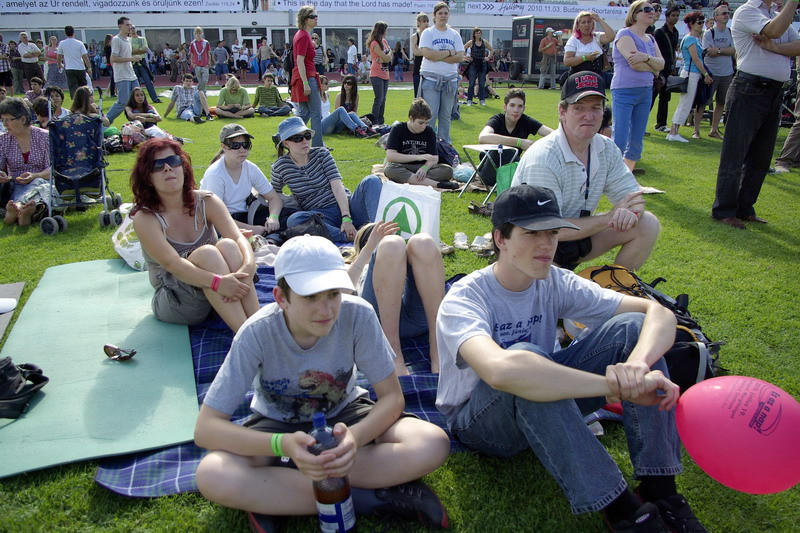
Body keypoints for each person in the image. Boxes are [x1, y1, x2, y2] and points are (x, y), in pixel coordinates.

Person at [436, 182, 707, 533]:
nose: (547, 244)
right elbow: (501, 371)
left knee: (631, 327)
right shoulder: (465, 298)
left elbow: (657, 315)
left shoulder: (554, 280)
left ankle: (661, 489)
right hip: (482, 424)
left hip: (539, 392)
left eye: (552, 232)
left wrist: (636, 369)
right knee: (527, 363)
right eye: (533, 233)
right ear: (501, 239)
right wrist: (612, 386)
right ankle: (622, 509)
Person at [193, 234, 451, 531]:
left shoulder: (358, 315)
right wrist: (282, 444)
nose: (326, 310)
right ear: (281, 297)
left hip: (346, 415)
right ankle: (374, 498)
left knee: (432, 443)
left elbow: (392, 398)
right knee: (212, 473)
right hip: (277, 425)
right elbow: (206, 429)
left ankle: (275, 496)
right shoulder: (256, 333)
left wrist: (354, 438)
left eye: (332, 294)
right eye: (310, 297)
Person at [512, 71, 660, 272]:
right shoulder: (543, 156)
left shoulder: (606, 148)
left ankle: (615, 285)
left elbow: (634, 198)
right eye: (579, 108)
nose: (588, 116)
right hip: (531, 245)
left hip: (576, 239)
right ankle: (566, 286)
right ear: (562, 112)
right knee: (558, 300)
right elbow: (546, 228)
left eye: (595, 108)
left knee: (647, 224)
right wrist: (608, 218)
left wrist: (631, 212)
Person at [130, 137, 258, 333]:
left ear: (183, 167)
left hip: (217, 292)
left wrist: (248, 267)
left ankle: (261, 327)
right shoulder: (145, 218)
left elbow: (238, 238)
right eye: (157, 165)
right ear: (147, 176)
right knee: (208, 253)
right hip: (176, 299)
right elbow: (173, 264)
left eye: (173, 162)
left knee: (229, 246)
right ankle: (247, 339)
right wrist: (218, 282)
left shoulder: (206, 201)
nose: (167, 168)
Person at [711, 0, 799, 228]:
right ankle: (725, 210)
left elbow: (796, 44)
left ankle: (744, 207)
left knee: (760, 156)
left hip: (772, 91)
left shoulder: (772, 14)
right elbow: (773, 31)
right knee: (735, 153)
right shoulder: (747, 11)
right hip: (749, 88)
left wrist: (774, 47)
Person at [350, 221, 446, 376]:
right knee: (391, 245)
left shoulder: (405, 257)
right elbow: (343, 290)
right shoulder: (357, 265)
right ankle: (391, 351)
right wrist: (370, 248)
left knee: (424, 242)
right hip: (377, 320)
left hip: (415, 319)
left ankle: (438, 345)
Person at [271, 116, 379, 242]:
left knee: (372, 180)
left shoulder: (321, 154)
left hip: (347, 207)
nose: (305, 141)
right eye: (298, 138)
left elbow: (337, 186)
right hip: (321, 217)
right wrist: (273, 216)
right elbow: (274, 194)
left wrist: (346, 217)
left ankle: (375, 228)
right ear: (286, 143)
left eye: (307, 136)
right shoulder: (281, 166)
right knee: (295, 220)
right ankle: (353, 237)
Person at [199, 123, 284, 238]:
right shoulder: (215, 174)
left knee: (285, 217)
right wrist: (253, 229)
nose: (242, 150)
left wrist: (273, 218)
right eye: (235, 145)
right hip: (220, 223)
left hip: (245, 215)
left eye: (246, 145)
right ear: (223, 147)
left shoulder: (250, 168)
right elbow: (216, 218)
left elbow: (274, 197)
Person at [610, 1, 664, 174]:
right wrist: (653, 68)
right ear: (634, 14)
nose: (652, 12)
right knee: (620, 136)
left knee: (637, 139)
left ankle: (625, 175)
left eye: (653, 9)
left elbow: (661, 64)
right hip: (624, 91)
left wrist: (646, 59)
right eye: (647, 9)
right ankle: (612, 176)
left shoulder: (651, 38)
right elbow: (634, 64)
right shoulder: (624, 34)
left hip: (645, 92)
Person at [477, 88, 553, 185]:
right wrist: (519, 142)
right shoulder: (497, 120)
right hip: (490, 173)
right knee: (505, 150)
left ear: (523, 109)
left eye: (520, 106)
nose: (516, 110)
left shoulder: (526, 121)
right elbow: (483, 137)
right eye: (512, 105)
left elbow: (553, 135)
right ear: (505, 107)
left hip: (513, 171)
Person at [418, 2, 465, 144]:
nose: (443, 16)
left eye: (446, 13)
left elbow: (460, 57)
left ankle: (445, 145)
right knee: (430, 116)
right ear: (434, 15)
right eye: (440, 13)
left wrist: (438, 55)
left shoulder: (454, 34)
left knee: (445, 116)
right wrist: (450, 53)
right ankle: (428, 144)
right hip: (431, 80)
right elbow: (427, 54)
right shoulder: (428, 32)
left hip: (450, 81)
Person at [384, 98, 456, 188]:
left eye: (426, 123)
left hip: (423, 167)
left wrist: (425, 168)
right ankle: (438, 184)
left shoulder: (429, 131)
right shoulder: (398, 129)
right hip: (402, 166)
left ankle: (408, 179)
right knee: (390, 169)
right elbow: (391, 156)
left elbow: (434, 158)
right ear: (411, 118)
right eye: (420, 123)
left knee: (447, 171)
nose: (423, 127)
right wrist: (418, 157)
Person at [0, 97, 50, 226]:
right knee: (16, 188)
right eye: (2, 120)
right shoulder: (3, 140)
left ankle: (16, 209)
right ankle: (23, 211)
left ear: (22, 119)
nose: (5, 124)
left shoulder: (45, 137)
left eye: (8, 120)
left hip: (41, 181)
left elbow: (52, 169)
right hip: (15, 184)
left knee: (40, 185)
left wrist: (35, 175)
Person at [667, 12, 713, 143]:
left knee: (686, 104)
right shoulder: (690, 39)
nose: (701, 25)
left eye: (702, 22)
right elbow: (696, 59)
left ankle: (674, 131)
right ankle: (673, 131)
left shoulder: (693, 39)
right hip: (691, 74)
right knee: (685, 104)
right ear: (691, 24)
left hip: (692, 73)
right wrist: (705, 74)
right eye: (699, 22)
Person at [292, 6, 325, 148]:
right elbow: (300, 60)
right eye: (313, 16)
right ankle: (318, 146)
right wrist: (305, 83)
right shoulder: (303, 36)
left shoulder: (302, 35)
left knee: (304, 113)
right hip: (307, 77)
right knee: (316, 113)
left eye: (316, 16)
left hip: (305, 77)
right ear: (305, 19)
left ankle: (282, 136)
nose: (316, 18)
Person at [701, 5, 735, 139]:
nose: (726, 15)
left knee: (721, 102)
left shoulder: (731, 32)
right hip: (712, 72)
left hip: (727, 73)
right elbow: (709, 51)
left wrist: (719, 50)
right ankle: (696, 129)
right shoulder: (709, 33)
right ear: (716, 17)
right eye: (723, 13)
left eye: (728, 13)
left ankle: (714, 129)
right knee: (704, 101)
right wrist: (726, 50)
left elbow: (734, 50)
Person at [107, 17, 141, 125]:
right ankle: (105, 121)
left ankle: (137, 123)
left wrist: (134, 57)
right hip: (122, 76)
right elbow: (113, 59)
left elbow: (126, 56)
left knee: (137, 99)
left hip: (131, 74)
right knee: (123, 102)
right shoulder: (116, 40)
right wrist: (132, 58)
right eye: (127, 25)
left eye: (130, 25)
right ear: (120, 26)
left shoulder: (128, 39)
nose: (130, 27)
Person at [652, 6, 681, 133]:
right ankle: (639, 123)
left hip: (669, 69)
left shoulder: (675, 32)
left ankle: (661, 124)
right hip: (659, 69)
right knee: (652, 96)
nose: (675, 18)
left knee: (665, 97)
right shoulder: (659, 32)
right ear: (667, 16)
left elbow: (673, 51)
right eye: (673, 15)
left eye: (677, 15)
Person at [563, 12, 616, 76]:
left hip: (598, 77)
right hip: (578, 78)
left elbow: (612, 36)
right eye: (583, 22)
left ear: (593, 25)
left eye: (589, 22)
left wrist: (599, 20)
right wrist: (585, 58)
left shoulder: (597, 37)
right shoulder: (573, 40)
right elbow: (567, 61)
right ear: (578, 26)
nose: (586, 25)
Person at [367, 22, 393, 127]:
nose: (386, 32)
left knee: (384, 99)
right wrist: (386, 56)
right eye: (385, 30)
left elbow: (389, 56)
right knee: (379, 98)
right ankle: (374, 120)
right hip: (376, 73)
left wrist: (389, 53)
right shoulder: (374, 43)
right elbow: (386, 57)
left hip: (385, 73)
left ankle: (381, 120)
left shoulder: (384, 42)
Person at [127, 25, 160, 104]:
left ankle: (155, 98)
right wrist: (139, 50)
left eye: (133, 28)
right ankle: (134, 100)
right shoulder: (128, 40)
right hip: (133, 62)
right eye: (131, 29)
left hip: (142, 62)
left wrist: (136, 51)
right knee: (135, 83)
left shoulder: (142, 39)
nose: (132, 30)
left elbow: (145, 49)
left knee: (148, 81)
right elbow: (129, 51)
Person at [57, 26, 91, 98]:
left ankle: (75, 102)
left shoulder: (62, 43)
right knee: (83, 87)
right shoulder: (79, 43)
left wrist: (59, 64)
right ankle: (84, 101)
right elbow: (85, 56)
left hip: (69, 68)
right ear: (74, 33)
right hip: (80, 68)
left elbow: (59, 56)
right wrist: (89, 67)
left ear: (65, 33)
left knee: (73, 87)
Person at [464, 27, 494, 105]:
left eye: (480, 33)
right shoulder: (471, 42)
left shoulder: (484, 42)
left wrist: (488, 57)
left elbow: (492, 50)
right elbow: (462, 48)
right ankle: (469, 100)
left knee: (481, 83)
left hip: (482, 64)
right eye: (477, 33)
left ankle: (482, 100)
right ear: (474, 34)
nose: (478, 34)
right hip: (473, 64)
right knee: (471, 83)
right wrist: (466, 57)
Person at [410, 12, 429, 97]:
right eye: (424, 21)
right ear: (418, 22)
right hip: (418, 69)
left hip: (429, 70)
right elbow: (416, 53)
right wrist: (428, 52)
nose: (426, 24)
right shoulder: (415, 36)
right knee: (418, 96)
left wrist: (422, 50)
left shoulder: (430, 35)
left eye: (427, 21)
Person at [189, 27, 211, 94]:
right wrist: (192, 62)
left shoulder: (206, 42)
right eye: (197, 33)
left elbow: (208, 54)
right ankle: (203, 94)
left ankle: (196, 90)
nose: (198, 35)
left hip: (205, 65)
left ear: (202, 33)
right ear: (194, 34)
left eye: (199, 33)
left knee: (204, 80)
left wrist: (209, 63)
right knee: (200, 80)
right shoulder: (193, 43)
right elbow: (192, 54)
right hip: (197, 65)